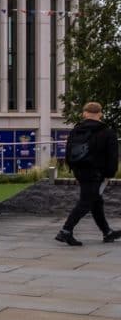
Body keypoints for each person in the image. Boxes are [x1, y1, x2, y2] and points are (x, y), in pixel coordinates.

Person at [56, 101, 120, 246]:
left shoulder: (76, 130)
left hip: (80, 171)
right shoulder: (107, 132)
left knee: (96, 201)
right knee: (86, 202)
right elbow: (112, 156)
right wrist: (110, 174)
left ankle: (107, 232)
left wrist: (73, 169)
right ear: (100, 114)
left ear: (84, 114)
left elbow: (68, 152)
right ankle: (65, 231)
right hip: (96, 173)